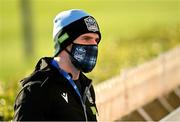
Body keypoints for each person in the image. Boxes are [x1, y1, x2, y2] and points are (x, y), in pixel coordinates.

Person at [13, 9, 101, 121]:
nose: (94, 45)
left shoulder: (86, 87)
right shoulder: (36, 91)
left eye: (96, 40)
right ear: (64, 40)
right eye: (86, 38)